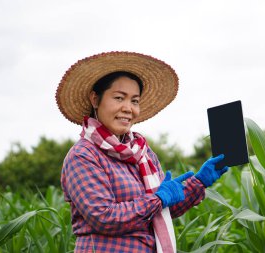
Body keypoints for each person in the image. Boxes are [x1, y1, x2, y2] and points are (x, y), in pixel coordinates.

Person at [56, 51, 229, 253]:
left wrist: (199, 182)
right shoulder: (84, 155)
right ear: (95, 99)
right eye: (119, 98)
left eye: (135, 101)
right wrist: (158, 198)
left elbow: (160, 211)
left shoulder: (142, 153)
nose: (128, 108)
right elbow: (103, 217)